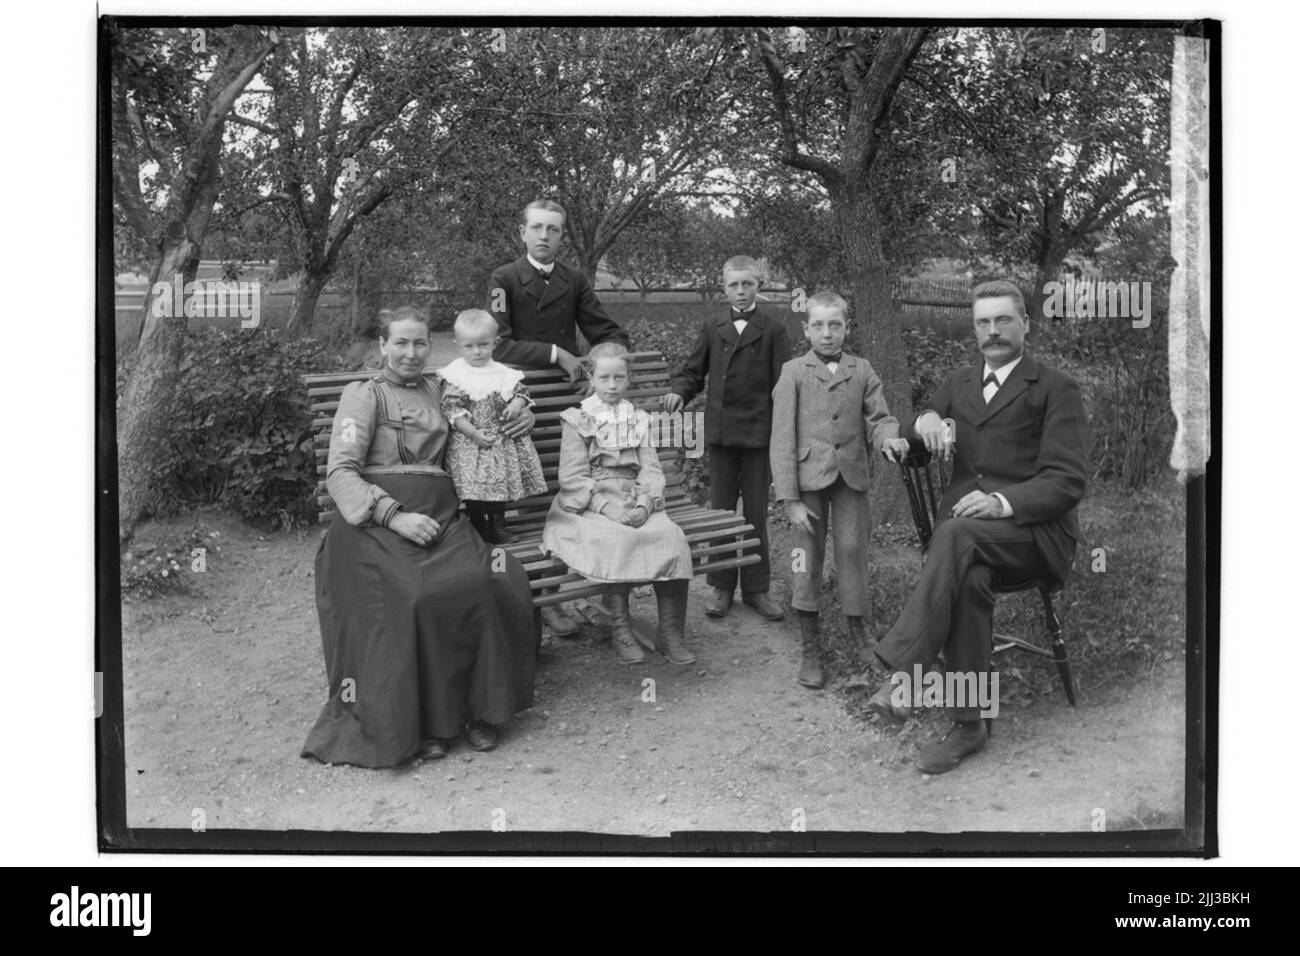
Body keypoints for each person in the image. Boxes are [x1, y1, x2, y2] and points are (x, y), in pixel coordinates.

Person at [301, 306, 538, 768]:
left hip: (441, 516)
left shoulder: (441, 387)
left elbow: (488, 406)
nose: (411, 353)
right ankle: (427, 722)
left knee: (488, 580)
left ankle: (478, 711)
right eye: (401, 343)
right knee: (416, 594)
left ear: (432, 346)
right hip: (374, 523)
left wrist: (524, 411)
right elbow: (340, 472)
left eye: (420, 343)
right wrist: (392, 515)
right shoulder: (363, 395)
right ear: (383, 345)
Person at [867, 280, 1087, 775]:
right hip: (970, 546)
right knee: (968, 577)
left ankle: (906, 677)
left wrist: (1001, 503)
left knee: (955, 533)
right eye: (983, 322)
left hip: (1033, 534)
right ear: (974, 330)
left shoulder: (1055, 387)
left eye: (1003, 320)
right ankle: (970, 724)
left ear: (1025, 323)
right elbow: (915, 436)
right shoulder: (959, 384)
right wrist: (923, 419)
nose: (993, 331)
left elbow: (1067, 481)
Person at [487, 198, 632, 637]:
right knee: (533, 500)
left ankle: (578, 590)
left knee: (571, 492)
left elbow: (608, 331)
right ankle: (544, 599)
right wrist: (556, 353)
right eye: (536, 227)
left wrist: (601, 365)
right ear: (523, 232)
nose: (544, 235)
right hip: (521, 402)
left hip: (567, 403)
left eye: (552, 229)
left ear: (561, 235)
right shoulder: (503, 279)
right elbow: (498, 345)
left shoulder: (574, 279)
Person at [770, 291, 912, 690]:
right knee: (805, 557)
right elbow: (781, 438)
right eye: (818, 325)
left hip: (851, 477)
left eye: (835, 325)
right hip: (806, 481)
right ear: (806, 329)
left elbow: (879, 418)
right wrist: (790, 499)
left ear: (847, 327)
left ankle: (859, 632)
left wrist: (888, 438)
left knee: (852, 550)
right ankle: (810, 645)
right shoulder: (793, 372)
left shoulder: (861, 369)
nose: (827, 333)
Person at [541, 343, 696, 665]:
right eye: (604, 378)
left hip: (633, 495)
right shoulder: (578, 419)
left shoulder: (637, 419)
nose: (612, 385)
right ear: (591, 378)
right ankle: (620, 629)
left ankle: (669, 632)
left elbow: (651, 469)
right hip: (590, 501)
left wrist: (644, 504)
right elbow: (572, 476)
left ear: (629, 379)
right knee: (615, 538)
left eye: (619, 378)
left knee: (670, 537)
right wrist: (607, 508)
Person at [661, 255, 791, 622]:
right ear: (724, 288)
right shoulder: (712, 326)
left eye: (747, 284)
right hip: (720, 434)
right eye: (734, 284)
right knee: (720, 510)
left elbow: (784, 385)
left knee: (755, 513)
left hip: (758, 434)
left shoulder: (774, 330)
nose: (740, 290)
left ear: (758, 287)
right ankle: (720, 585)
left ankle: (756, 589)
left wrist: (784, 429)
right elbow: (692, 371)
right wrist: (679, 392)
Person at [437, 308, 548, 544]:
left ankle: (498, 525)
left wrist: (517, 404)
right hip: (470, 443)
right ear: (458, 345)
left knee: (498, 485)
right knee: (474, 489)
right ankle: (479, 525)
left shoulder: (502, 373)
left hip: (500, 442)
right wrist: (473, 433)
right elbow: (453, 411)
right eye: (469, 346)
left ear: (495, 343)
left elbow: (522, 392)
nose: (477, 351)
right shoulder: (457, 375)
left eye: (483, 344)